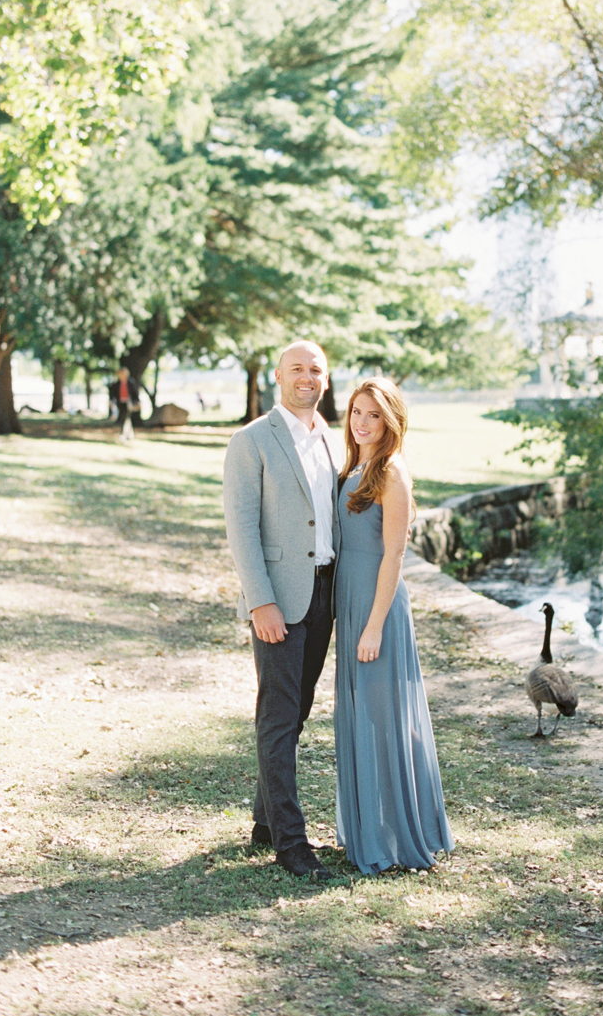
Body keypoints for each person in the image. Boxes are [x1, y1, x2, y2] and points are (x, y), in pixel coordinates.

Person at [223, 340, 339, 879]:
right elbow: (242, 529)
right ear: (278, 376)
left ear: (327, 379)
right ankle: (291, 844)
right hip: (278, 598)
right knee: (277, 714)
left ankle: (265, 822)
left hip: (324, 594)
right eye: (297, 368)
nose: (307, 376)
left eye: (316, 369)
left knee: (295, 713)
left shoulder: (331, 440)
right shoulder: (252, 440)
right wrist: (260, 601)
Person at [334, 377, 454, 874]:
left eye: (374, 415)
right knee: (362, 714)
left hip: (376, 605)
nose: (362, 422)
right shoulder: (357, 464)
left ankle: (399, 838)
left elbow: (395, 554)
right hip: (351, 597)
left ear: (391, 421)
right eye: (357, 412)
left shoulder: (392, 473)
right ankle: (368, 830)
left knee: (383, 719)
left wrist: (374, 626)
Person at [109, 367, 140, 439]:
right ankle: (130, 434)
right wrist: (111, 402)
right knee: (126, 417)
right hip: (120, 403)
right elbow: (113, 394)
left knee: (126, 416)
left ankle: (124, 434)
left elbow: (135, 393)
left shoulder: (131, 383)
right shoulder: (117, 384)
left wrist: (138, 402)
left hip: (129, 403)